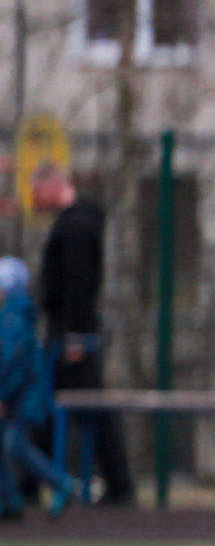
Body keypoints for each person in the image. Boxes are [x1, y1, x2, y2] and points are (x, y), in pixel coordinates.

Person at [32, 166, 135, 507]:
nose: (34, 201)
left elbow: (79, 283)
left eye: (37, 192)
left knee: (84, 406)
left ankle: (117, 484)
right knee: (55, 407)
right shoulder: (75, 223)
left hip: (71, 333)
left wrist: (74, 335)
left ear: (53, 186)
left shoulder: (75, 227)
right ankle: (31, 482)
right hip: (69, 330)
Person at [0, 256, 74, 519]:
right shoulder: (14, 314)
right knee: (9, 444)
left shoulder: (12, 318)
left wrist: (3, 396)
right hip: (19, 394)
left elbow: (13, 363)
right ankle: (10, 500)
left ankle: (60, 483)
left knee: (14, 445)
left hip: (20, 396)